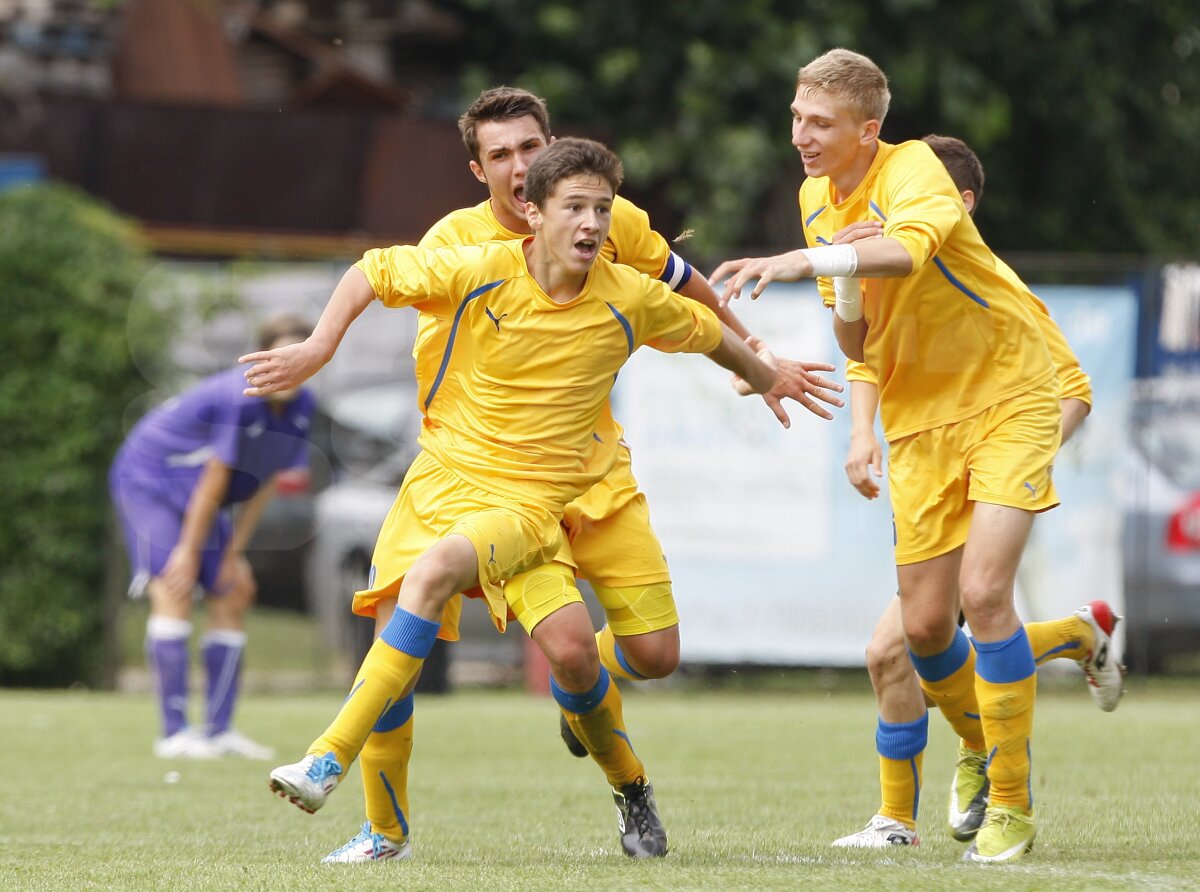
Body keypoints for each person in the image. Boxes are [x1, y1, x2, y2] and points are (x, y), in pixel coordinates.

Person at [319, 86, 846, 866]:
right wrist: (324, 351)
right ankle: (382, 829)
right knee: (407, 616)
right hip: (477, 479)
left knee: (649, 656)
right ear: (479, 170)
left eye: (531, 147)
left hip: (591, 474)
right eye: (500, 155)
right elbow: (393, 296)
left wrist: (757, 356)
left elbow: (683, 289)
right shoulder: (460, 250)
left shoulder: (602, 217)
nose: (520, 165)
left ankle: (585, 696)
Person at [711, 48, 1083, 863]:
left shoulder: (915, 168)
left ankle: (1012, 806)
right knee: (918, 631)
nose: (802, 136)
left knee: (984, 594)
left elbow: (909, 251)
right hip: (920, 425)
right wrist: (838, 279)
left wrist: (807, 259)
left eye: (821, 123)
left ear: (867, 130)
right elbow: (859, 337)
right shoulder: (816, 198)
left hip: (1010, 396)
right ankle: (982, 748)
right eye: (797, 118)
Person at [827, 134, 1122, 850]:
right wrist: (861, 434)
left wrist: (1005, 474)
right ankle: (1081, 637)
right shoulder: (894, 281)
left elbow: (1073, 391)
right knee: (897, 649)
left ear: (953, 206)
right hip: (929, 472)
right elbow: (867, 359)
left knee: (951, 624)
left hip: (995, 476)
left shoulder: (993, 291)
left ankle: (972, 771)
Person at [109, 314, 317, 760]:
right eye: (276, 356)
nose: (286, 366)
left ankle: (219, 731)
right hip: (151, 480)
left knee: (233, 590)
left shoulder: (303, 406)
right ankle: (174, 735)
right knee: (174, 586)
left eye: (296, 357)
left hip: (203, 494)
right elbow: (214, 478)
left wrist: (234, 555)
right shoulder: (238, 399)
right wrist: (186, 552)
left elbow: (265, 481)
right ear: (260, 359)